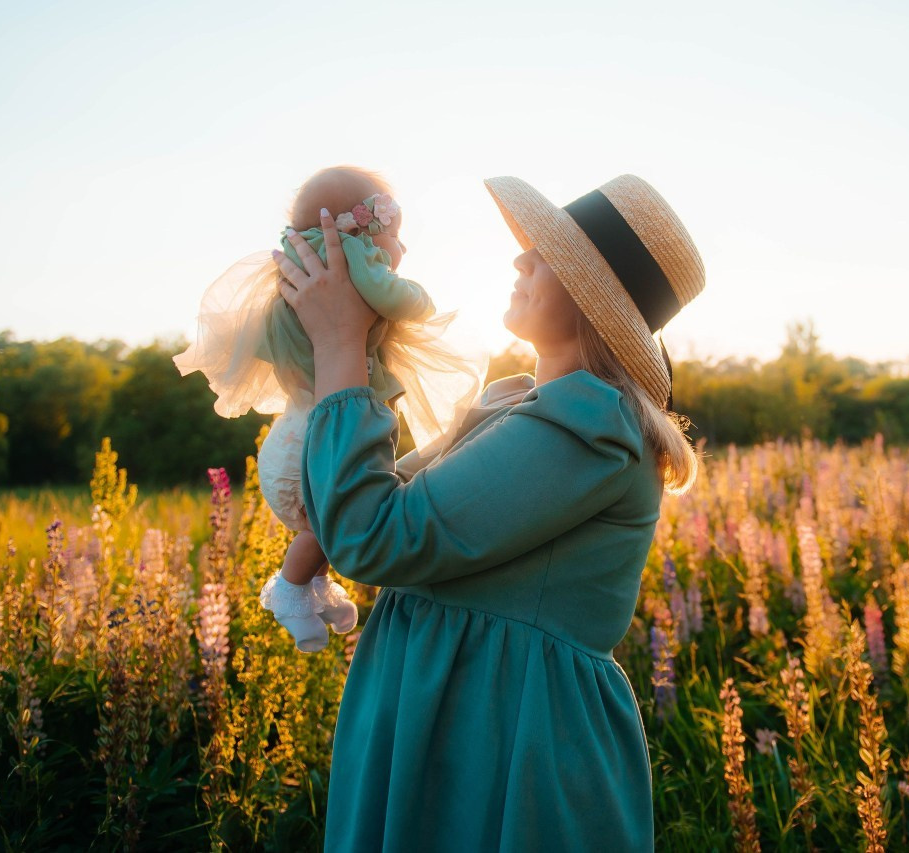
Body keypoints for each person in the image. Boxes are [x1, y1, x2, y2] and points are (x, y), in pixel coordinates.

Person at [273, 174, 705, 850]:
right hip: (445, 716)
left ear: (595, 300)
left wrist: (339, 346)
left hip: (503, 739)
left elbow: (373, 537)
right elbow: (348, 503)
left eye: (548, 254)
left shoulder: (593, 424)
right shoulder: (516, 403)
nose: (520, 259)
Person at [173, 166, 482, 651]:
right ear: (364, 230)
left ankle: (317, 587)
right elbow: (393, 295)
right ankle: (292, 591)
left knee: (330, 521)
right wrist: (419, 298)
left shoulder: (298, 270)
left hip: (296, 430)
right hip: (315, 440)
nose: (399, 252)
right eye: (396, 238)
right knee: (332, 519)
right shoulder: (352, 259)